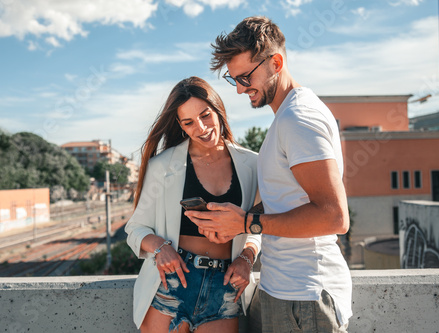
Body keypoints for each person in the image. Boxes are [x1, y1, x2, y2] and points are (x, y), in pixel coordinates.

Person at [185, 16, 352, 332]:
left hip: (305, 296)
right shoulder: (286, 118)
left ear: (276, 63)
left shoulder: (299, 119)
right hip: (285, 292)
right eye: (233, 80)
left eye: (245, 77)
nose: (239, 90)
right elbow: (283, 201)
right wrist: (236, 224)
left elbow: (334, 216)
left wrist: (247, 223)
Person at [125, 76, 261, 333]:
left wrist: (246, 257)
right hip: (172, 283)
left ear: (218, 110)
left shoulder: (252, 165)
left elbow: (258, 227)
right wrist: (160, 248)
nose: (201, 128)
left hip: (225, 285)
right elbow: (136, 228)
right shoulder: (162, 166)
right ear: (181, 125)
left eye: (206, 115)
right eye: (189, 122)